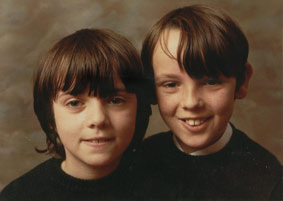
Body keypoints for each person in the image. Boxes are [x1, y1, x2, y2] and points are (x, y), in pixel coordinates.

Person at [138, 4, 282, 200]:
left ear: (242, 81)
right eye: (171, 84)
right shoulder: (139, 160)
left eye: (211, 82)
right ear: (151, 88)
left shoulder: (268, 179)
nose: (190, 102)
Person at [0, 28, 151, 201]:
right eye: (74, 103)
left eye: (115, 101)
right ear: (50, 117)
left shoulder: (167, 184)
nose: (98, 119)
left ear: (139, 109)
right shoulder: (19, 196)